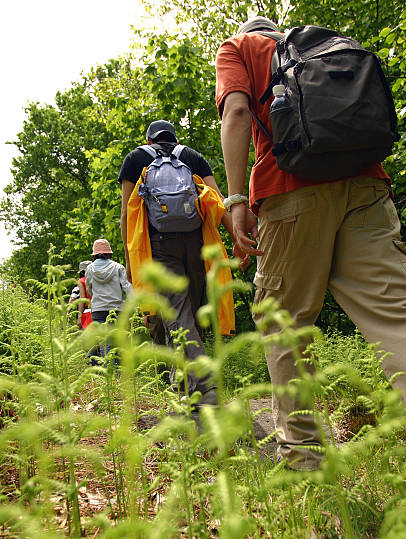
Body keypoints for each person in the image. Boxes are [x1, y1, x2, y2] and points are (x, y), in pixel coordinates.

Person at [215, 16, 406, 470]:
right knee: (395, 314)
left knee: (284, 319)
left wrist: (236, 198)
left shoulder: (239, 48)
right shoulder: (328, 45)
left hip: (291, 189)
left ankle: (305, 458)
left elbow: (237, 113)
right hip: (366, 186)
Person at [119, 120, 240, 406]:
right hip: (197, 244)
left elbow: (126, 214)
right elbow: (218, 202)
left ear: (148, 140)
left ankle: (204, 385)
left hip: (160, 246)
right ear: (174, 138)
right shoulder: (192, 157)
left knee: (178, 315)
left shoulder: (136, 159)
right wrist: (237, 238)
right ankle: (186, 386)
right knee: (191, 315)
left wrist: (130, 259)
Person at [85, 239, 133, 359]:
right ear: (109, 253)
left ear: (95, 254)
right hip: (117, 310)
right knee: (119, 342)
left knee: (104, 343)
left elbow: (89, 289)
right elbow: (128, 288)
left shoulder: (89, 269)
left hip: (98, 310)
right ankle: (121, 373)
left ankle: (109, 373)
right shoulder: (118, 267)